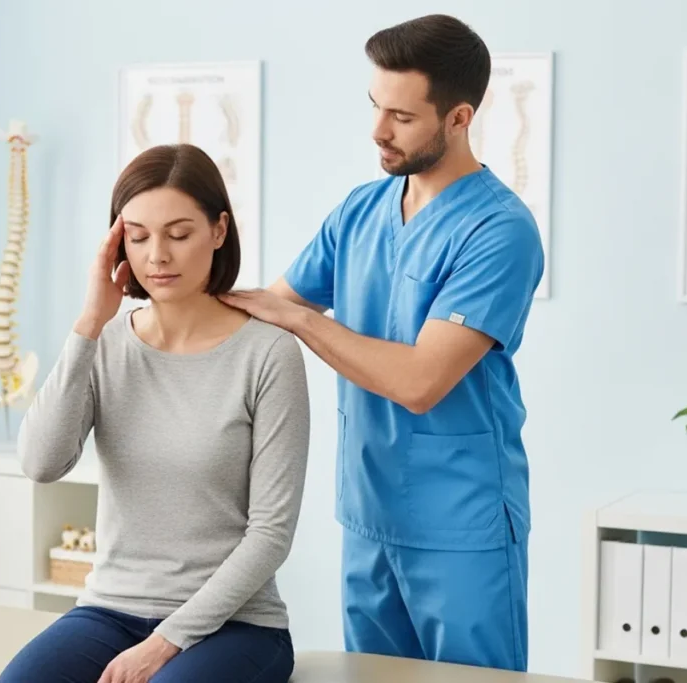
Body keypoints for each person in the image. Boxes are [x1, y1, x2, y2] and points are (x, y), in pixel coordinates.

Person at [219, 13, 543, 672]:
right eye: (375, 106)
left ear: (458, 117)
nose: (377, 130)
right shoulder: (361, 210)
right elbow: (269, 308)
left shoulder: (499, 229)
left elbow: (421, 380)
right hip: (368, 512)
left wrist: (305, 322)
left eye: (401, 115)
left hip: (463, 522)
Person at [0, 143, 311, 683]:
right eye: (138, 236)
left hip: (236, 626)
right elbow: (41, 463)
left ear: (218, 231)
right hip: (109, 610)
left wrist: (165, 643)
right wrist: (90, 324)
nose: (157, 255)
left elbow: (270, 535)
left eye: (179, 233)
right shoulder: (105, 344)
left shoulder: (268, 354)